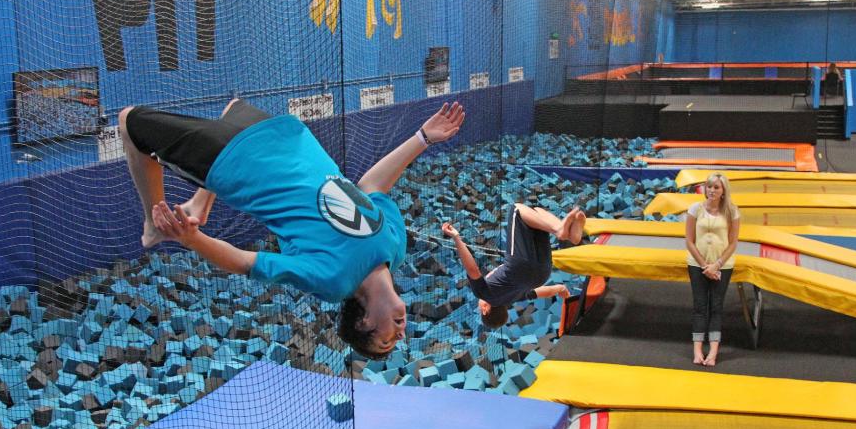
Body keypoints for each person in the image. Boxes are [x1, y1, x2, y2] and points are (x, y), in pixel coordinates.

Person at [118, 98, 465, 359]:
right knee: (233, 106)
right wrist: (422, 138)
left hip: (237, 162)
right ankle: (201, 202)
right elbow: (370, 186)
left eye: (387, 339)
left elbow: (246, 262)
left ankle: (152, 224)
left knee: (128, 122)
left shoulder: (332, 280)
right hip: (288, 137)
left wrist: (193, 238)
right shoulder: (395, 246)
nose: (400, 335)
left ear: (364, 323)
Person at [441, 203, 587, 328]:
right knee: (516, 209)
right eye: (480, 310)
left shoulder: (514, 297)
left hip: (542, 274)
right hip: (519, 266)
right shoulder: (484, 295)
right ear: (485, 310)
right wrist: (456, 238)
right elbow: (473, 269)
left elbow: (543, 292)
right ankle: (560, 230)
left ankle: (569, 235)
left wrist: (560, 289)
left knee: (537, 212)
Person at [684, 172, 740, 367]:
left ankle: (713, 352)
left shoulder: (732, 211)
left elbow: (733, 243)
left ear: (723, 191)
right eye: (709, 186)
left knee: (716, 307)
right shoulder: (695, 209)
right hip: (697, 264)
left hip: (722, 265)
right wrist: (703, 265)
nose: (712, 190)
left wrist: (717, 265)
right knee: (700, 306)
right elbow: (689, 240)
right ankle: (698, 350)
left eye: (716, 187)